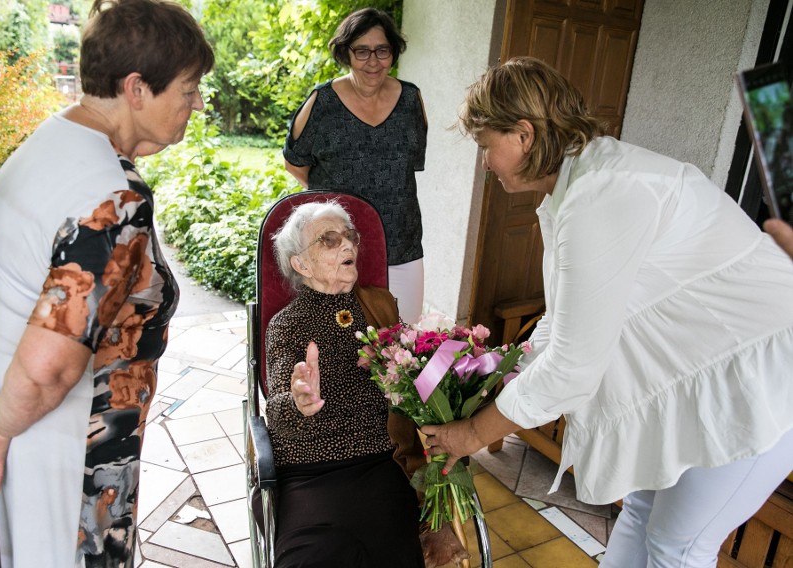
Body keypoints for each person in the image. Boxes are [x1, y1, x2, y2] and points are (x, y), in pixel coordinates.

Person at [420, 57, 793, 568]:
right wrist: (495, 371)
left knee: (678, 544)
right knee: (639, 509)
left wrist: (473, 434)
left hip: (760, 374)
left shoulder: (599, 196)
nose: (485, 163)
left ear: (524, 135)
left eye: (487, 146)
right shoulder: (578, 186)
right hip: (697, 371)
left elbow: (572, 367)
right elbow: (565, 321)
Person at [0, 1, 213, 566]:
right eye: (188, 90)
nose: (197, 104)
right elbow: (49, 369)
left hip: (20, 422)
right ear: (137, 88)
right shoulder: (111, 201)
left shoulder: (50, 143)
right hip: (65, 452)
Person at [265, 200, 466, 568]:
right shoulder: (286, 325)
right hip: (312, 473)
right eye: (328, 239)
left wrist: (456, 370)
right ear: (301, 263)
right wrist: (297, 402)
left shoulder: (378, 305)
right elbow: (275, 415)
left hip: (380, 465)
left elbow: (414, 374)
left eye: (349, 236)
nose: (347, 246)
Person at [282, 7, 428, 324]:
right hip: (335, 249)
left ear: (394, 52)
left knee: (401, 345)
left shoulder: (411, 101)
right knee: (342, 348)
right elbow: (295, 164)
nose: (373, 61)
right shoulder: (322, 103)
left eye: (382, 50)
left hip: (400, 246)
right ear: (346, 53)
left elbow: (408, 167)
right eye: (361, 51)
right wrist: (336, 207)